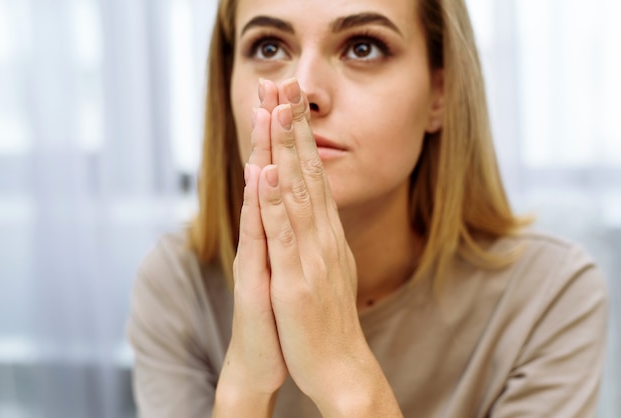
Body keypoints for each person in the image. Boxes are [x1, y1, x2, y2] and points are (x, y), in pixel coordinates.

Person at [127, 0, 608, 416]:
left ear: (440, 93)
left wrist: (342, 370)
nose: (306, 91)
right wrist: (245, 389)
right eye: (269, 47)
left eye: (363, 47)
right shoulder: (179, 285)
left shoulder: (550, 296)